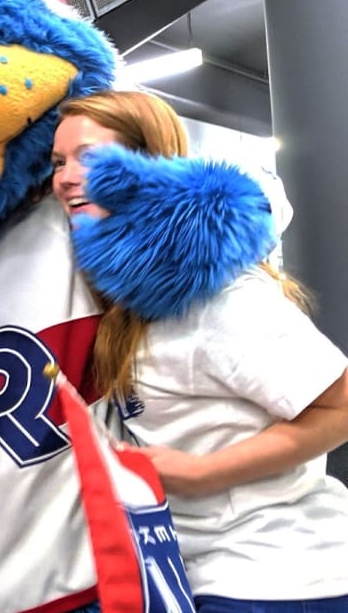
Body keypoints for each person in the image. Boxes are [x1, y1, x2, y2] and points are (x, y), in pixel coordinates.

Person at [51, 89, 348, 612]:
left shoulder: (219, 297)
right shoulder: (128, 296)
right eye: (58, 162)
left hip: (277, 575)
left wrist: (203, 472)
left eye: (90, 158)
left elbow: (341, 407)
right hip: (199, 570)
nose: (67, 177)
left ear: (148, 166)